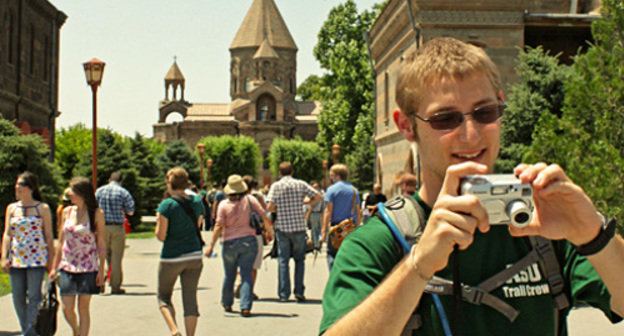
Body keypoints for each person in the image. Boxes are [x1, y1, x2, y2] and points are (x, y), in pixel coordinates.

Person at [319, 37, 624, 335]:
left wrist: (594, 234)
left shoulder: (542, 225)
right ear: (406, 126)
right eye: (445, 118)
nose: (471, 135)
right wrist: (418, 267)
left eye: (485, 113)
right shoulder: (378, 243)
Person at [205, 175, 272, 317]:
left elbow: (218, 225)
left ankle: (227, 302)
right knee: (246, 274)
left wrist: (211, 245)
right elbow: (264, 215)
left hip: (229, 243)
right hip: (249, 241)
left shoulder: (223, 205)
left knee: (229, 275)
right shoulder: (250, 200)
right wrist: (269, 232)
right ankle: (245, 306)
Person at [50, 177, 106, 336]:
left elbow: (101, 242)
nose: (69, 194)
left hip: (88, 266)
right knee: (67, 308)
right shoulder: (67, 212)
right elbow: (60, 241)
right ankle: (76, 330)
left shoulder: (96, 213)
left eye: (72, 191)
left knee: (83, 308)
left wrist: (102, 268)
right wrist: (55, 266)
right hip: (68, 265)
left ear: (82, 193)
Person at [1, 172, 54, 336]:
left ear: (31, 188)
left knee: (34, 297)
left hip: (36, 260)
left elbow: (49, 236)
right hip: (16, 260)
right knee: (17, 297)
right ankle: (28, 329)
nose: (17, 188)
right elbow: (7, 234)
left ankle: (30, 333)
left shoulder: (42, 208)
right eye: (17, 184)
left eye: (21, 185)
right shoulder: (12, 208)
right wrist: (4, 256)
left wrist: (50, 262)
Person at [155, 167, 204, 336]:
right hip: (194, 254)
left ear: (169, 183)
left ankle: (174, 329)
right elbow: (197, 226)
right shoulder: (197, 202)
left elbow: (161, 236)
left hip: (171, 256)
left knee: (163, 297)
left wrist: (157, 224)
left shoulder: (166, 205)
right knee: (190, 299)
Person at [266, 162, 322, 302]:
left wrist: (279, 208)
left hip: (283, 227)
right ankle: (299, 291)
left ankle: (284, 294)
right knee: (299, 260)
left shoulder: (276, 186)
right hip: (298, 227)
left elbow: (270, 206)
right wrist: (304, 202)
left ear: (279, 172)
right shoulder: (300, 184)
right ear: (292, 171)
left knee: (283, 261)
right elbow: (318, 197)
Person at [95, 171, 135, 295]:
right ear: (121, 181)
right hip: (117, 226)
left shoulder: (100, 191)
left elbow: (93, 207)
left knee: (101, 256)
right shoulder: (123, 192)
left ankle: (99, 283)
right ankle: (115, 285)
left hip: (102, 227)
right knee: (116, 257)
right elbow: (131, 211)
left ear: (109, 179)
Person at [321, 164, 361, 270]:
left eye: (331, 175)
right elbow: (358, 212)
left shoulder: (332, 190)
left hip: (336, 227)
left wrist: (323, 230)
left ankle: (334, 277)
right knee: (348, 254)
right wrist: (358, 228)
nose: (330, 178)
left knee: (332, 254)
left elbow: (328, 211)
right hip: (350, 227)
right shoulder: (354, 190)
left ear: (337, 176)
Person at [304, 181, 325, 250]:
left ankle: (316, 244)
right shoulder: (322, 194)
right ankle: (320, 238)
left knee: (315, 229)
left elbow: (311, 206)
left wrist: (307, 215)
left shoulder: (313, 195)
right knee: (320, 228)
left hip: (314, 213)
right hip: (321, 213)